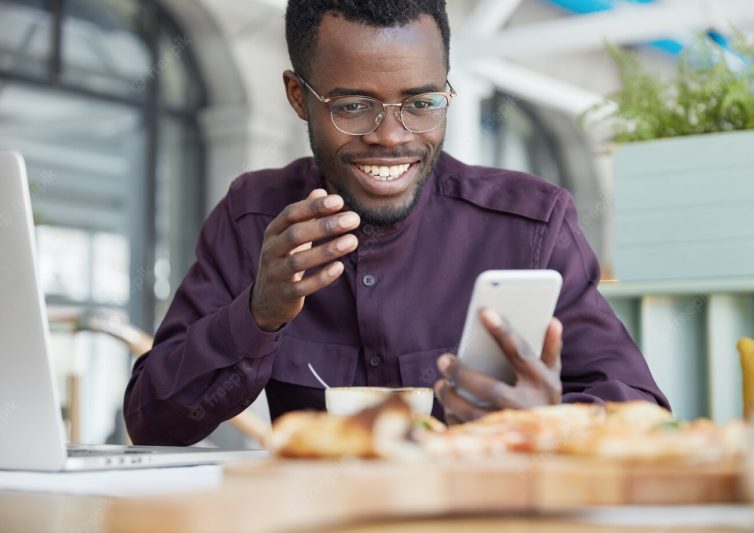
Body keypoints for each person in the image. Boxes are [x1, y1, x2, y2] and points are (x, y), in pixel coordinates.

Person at [124, 0, 668, 445]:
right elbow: (152, 420)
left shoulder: (529, 225)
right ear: (298, 97)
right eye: (354, 107)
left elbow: (643, 413)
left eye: (422, 102)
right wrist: (257, 314)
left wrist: (546, 424)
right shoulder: (252, 220)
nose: (391, 136)